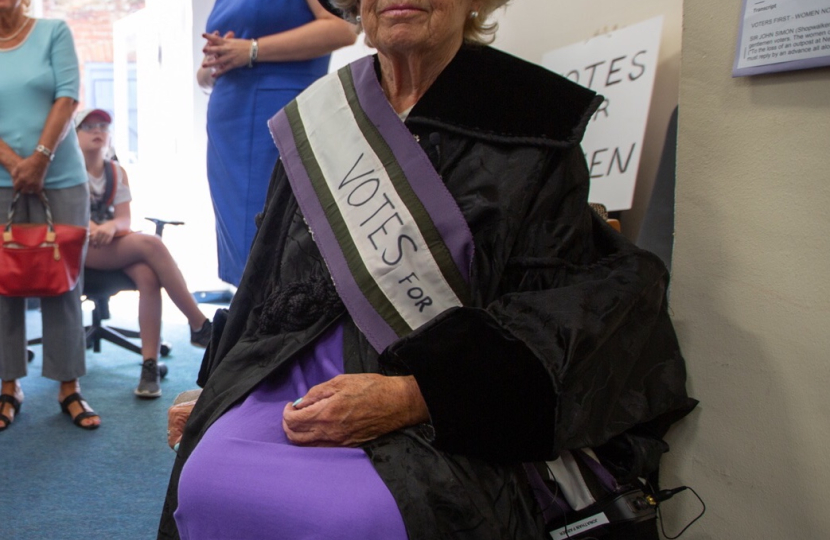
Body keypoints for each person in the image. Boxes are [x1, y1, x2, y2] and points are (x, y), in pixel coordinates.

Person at [159, 1, 696, 538]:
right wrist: (223, 383)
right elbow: (268, 277)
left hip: (444, 397)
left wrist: (419, 396)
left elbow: (559, 302)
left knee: (352, 515)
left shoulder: (531, 119)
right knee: (206, 477)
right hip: (297, 375)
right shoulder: (317, 118)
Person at [197, 0, 356, 287]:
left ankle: (270, 324)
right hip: (228, 131)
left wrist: (252, 50)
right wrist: (217, 60)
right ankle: (247, 323)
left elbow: (343, 28)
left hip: (274, 119)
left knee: (273, 242)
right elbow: (205, 75)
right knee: (242, 252)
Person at [0, 0, 100, 431]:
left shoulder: (53, 31)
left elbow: (67, 96)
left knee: (62, 282)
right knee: (2, 282)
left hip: (60, 176)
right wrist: (14, 164)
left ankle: (69, 386)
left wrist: (39, 158)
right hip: (2, 178)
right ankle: (8, 385)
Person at [76, 108, 213, 399]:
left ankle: (149, 367)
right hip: (79, 251)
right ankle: (199, 324)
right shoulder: (67, 172)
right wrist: (91, 226)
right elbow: (64, 215)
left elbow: (125, 219)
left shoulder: (116, 172)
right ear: (74, 136)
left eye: (102, 125)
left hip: (111, 247)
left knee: (148, 275)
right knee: (152, 244)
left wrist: (112, 226)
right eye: (88, 127)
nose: (97, 130)